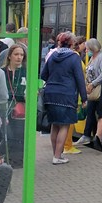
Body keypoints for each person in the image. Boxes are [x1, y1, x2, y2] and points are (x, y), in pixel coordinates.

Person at [39, 32, 87, 164]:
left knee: (55, 125)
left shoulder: (53, 55)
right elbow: (79, 79)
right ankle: (57, 157)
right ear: (72, 44)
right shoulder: (74, 57)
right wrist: (84, 98)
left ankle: (56, 154)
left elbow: (43, 75)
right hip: (66, 95)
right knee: (64, 125)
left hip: (50, 94)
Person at [75, 37, 102, 147]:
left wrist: (93, 84)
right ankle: (88, 135)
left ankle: (91, 135)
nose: (86, 51)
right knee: (90, 112)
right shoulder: (92, 58)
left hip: (98, 90)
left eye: (87, 49)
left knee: (96, 112)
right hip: (91, 90)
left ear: (92, 48)